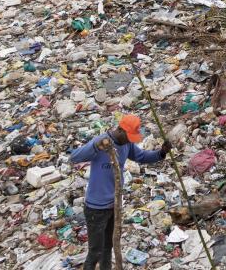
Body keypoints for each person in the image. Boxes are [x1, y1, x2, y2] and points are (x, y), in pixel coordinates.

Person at [70, 116, 171, 270]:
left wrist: (161, 153)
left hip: (114, 205)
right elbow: (74, 157)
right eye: (129, 137)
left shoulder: (127, 144)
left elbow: (142, 157)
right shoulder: (102, 141)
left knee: (108, 247)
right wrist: (96, 146)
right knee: (95, 251)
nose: (130, 140)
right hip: (95, 208)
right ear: (120, 130)